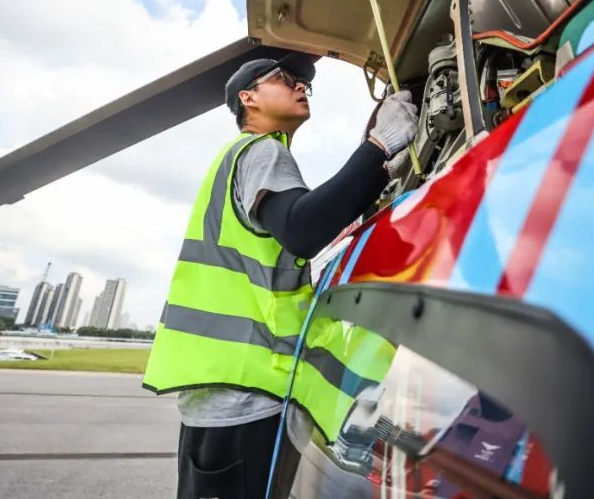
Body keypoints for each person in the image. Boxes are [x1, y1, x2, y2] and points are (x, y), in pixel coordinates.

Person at [142, 52, 419, 499]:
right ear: (248, 98)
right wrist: (379, 147)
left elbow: (301, 231)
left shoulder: (237, 161)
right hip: (247, 398)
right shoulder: (262, 151)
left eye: (303, 82)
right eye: (286, 79)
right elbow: (303, 228)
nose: (301, 86)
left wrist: (374, 182)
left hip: (218, 397)